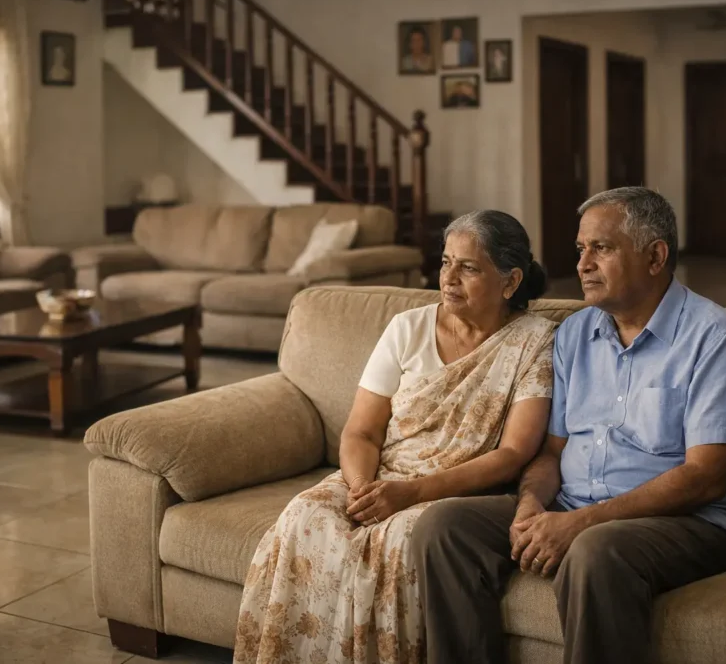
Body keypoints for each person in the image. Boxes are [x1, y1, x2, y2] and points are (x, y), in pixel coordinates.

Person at [412, 187, 726, 664]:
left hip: (697, 521)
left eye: (601, 248)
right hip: (574, 504)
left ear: (655, 256)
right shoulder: (574, 335)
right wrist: (530, 504)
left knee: (594, 549)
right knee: (444, 527)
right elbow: (552, 451)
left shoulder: (717, 339)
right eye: (581, 249)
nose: (583, 264)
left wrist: (582, 523)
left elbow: (705, 477)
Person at [234, 210, 556, 664]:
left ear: (511, 280)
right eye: (445, 262)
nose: (449, 278)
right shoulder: (407, 328)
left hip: (454, 491)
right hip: (380, 475)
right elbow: (361, 431)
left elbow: (513, 453)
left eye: (468, 267)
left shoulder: (536, 342)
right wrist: (362, 489)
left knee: (402, 539)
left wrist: (410, 494)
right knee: (304, 515)